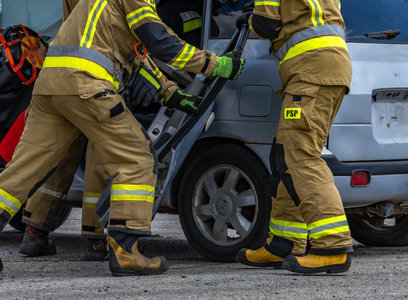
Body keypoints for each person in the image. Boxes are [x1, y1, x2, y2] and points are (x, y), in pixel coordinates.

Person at [0, 0, 244, 276]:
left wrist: (170, 92)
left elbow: (137, 53)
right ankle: (126, 252)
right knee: (138, 159)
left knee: (23, 169)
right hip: (86, 86)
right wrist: (214, 64)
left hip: (50, 87)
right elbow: (161, 42)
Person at [16, 0, 178, 262]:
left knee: (51, 159)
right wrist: (165, 86)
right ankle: (98, 238)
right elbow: (137, 38)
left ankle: (35, 231)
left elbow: (75, 26)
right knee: (107, 155)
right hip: (97, 80)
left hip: (63, 75)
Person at [235, 0, 353, 274]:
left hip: (311, 70)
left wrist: (248, 19)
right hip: (324, 66)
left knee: (299, 155)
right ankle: (284, 244)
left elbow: (265, 23)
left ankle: (332, 246)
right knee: (284, 156)